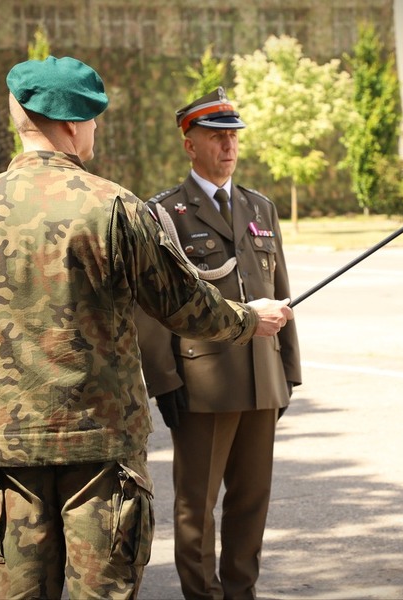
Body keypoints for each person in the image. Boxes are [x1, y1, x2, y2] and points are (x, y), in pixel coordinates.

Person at [0, 56, 294, 600]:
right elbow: (184, 305)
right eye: (92, 119)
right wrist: (249, 319)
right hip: (102, 451)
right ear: (72, 124)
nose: (93, 130)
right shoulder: (114, 205)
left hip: (10, 450)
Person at [135, 87, 301, 600]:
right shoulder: (164, 213)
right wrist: (165, 382)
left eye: (232, 137)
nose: (228, 147)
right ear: (190, 144)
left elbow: (281, 292)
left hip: (261, 381)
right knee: (197, 507)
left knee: (252, 503)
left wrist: (288, 373)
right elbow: (152, 307)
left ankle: (241, 592)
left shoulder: (259, 206)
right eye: (215, 137)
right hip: (202, 383)